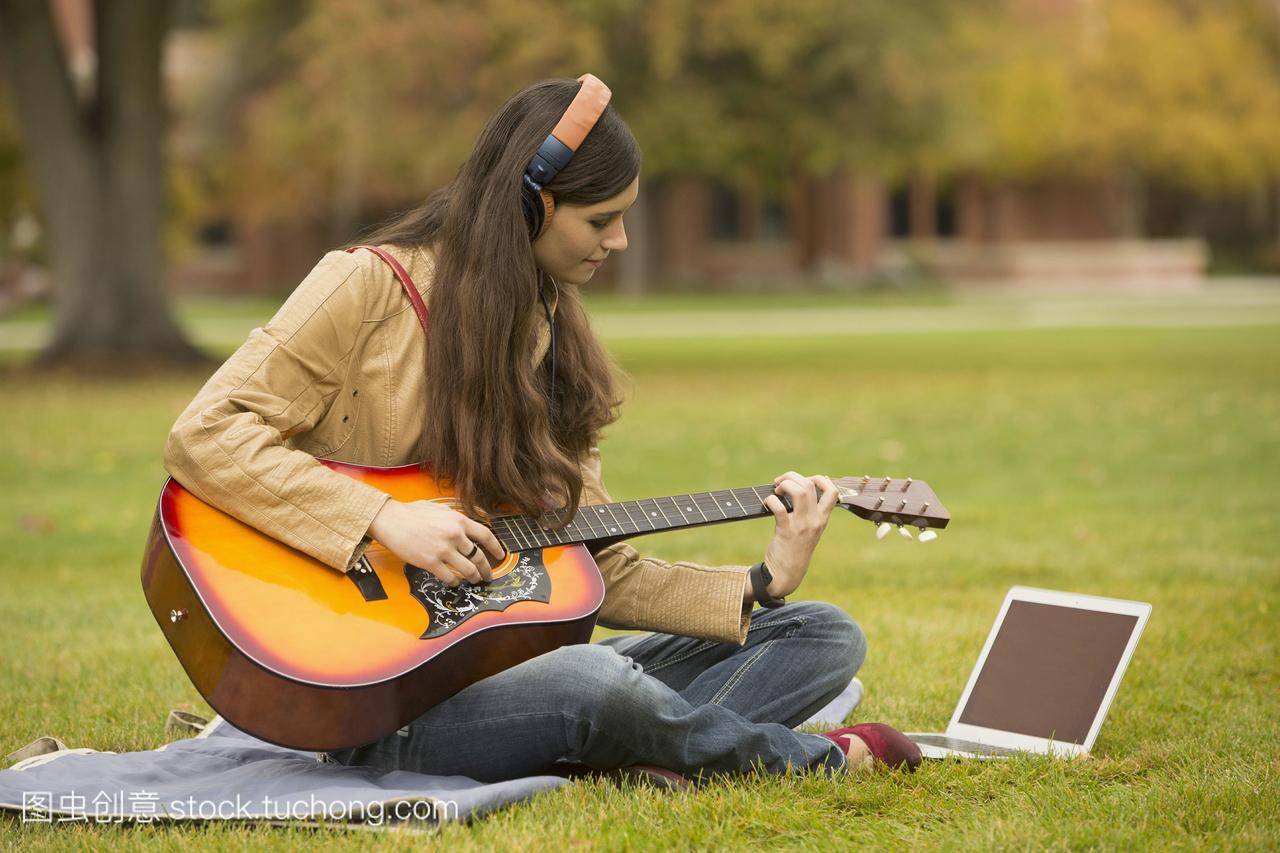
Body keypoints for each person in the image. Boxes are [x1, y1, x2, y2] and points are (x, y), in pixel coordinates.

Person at [164, 74, 921, 782]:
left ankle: (641, 745)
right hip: (372, 698)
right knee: (594, 680)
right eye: (602, 219)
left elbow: (594, 566)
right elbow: (205, 433)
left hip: (506, 668)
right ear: (532, 204)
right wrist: (383, 518)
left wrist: (764, 579)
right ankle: (809, 758)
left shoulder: (554, 336)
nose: (618, 241)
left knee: (821, 635)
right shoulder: (364, 285)